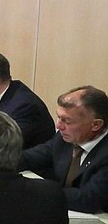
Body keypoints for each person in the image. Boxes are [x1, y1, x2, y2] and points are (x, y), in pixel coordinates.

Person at [19, 85, 108, 213]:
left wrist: (32, 190)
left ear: (96, 124)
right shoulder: (64, 138)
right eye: (59, 117)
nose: (58, 125)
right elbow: (29, 157)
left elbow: (89, 199)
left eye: (67, 121)